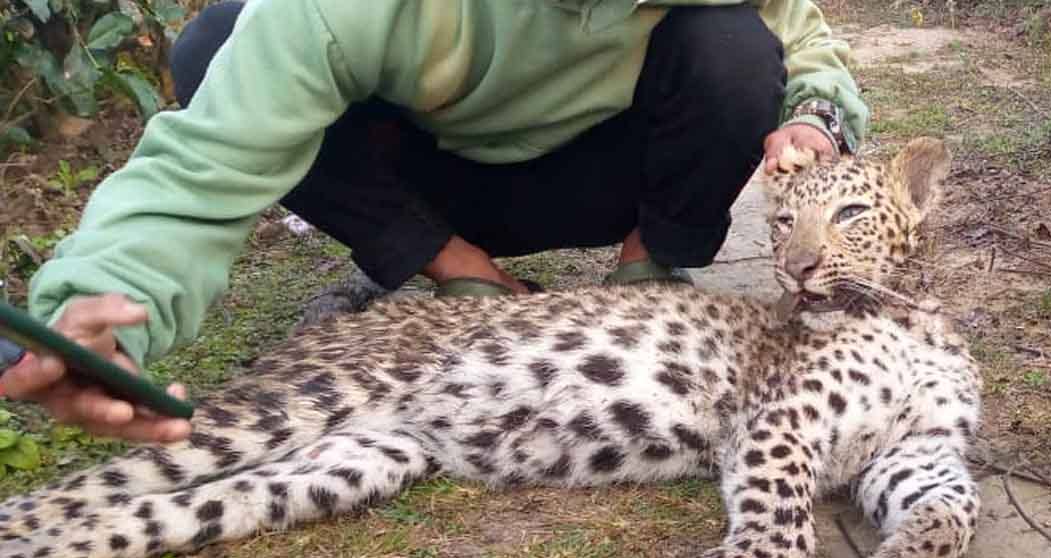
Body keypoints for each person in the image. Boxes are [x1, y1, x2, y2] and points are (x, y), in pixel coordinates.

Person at [0, 0, 869, 444]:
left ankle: (648, 272)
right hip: (436, 183)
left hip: (607, 177)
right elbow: (209, 159)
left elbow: (809, 50)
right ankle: (458, 268)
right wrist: (106, 299)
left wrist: (815, 122)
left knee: (736, 49)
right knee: (214, 44)